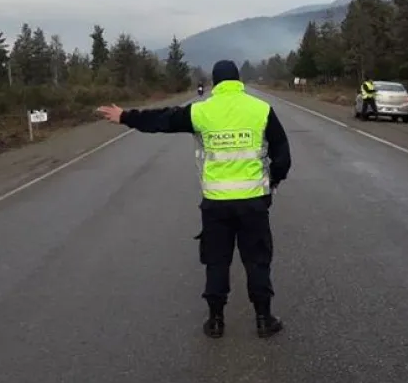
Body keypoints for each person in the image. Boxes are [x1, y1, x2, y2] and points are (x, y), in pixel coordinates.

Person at [95, 60, 291, 339]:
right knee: (257, 261)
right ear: (238, 81)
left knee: (216, 262)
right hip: (253, 202)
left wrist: (126, 116)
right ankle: (263, 320)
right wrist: (273, 181)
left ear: (215, 83)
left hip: (216, 204)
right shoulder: (261, 109)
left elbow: (163, 120)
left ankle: (215, 321)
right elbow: (282, 154)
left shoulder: (201, 111)